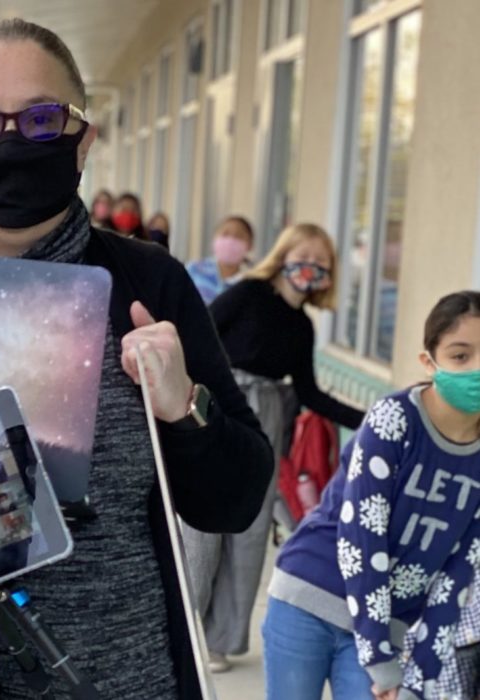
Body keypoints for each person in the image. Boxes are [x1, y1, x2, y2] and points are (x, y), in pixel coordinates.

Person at [0, 19, 274, 699]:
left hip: (130, 681)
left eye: (41, 119)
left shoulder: (147, 284)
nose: (9, 141)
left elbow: (235, 501)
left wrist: (185, 409)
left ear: (84, 139)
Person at [262, 290, 480, 700]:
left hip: (385, 629)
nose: (476, 369)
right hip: (310, 597)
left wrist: (421, 679)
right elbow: (363, 540)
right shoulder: (394, 419)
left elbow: (457, 577)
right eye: (461, 356)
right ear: (428, 362)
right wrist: (380, 657)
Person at [185, 222, 366, 674]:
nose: (311, 268)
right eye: (304, 256)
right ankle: (184, 626)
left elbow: (309, 392)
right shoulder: (247, 293)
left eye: (322, 263)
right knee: (202, 524)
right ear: (284, 255)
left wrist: (370, 420)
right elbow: (199, 333)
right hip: (220, 406)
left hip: (268, 419)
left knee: (248, 530)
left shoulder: (303, 327)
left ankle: (221, 639)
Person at [186, 216, 256, 304]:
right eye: (225, 234)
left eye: (239, 236)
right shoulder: (194, 269)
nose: (231, 240)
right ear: (214, 238)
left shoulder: (250, 283)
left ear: (250, 245)